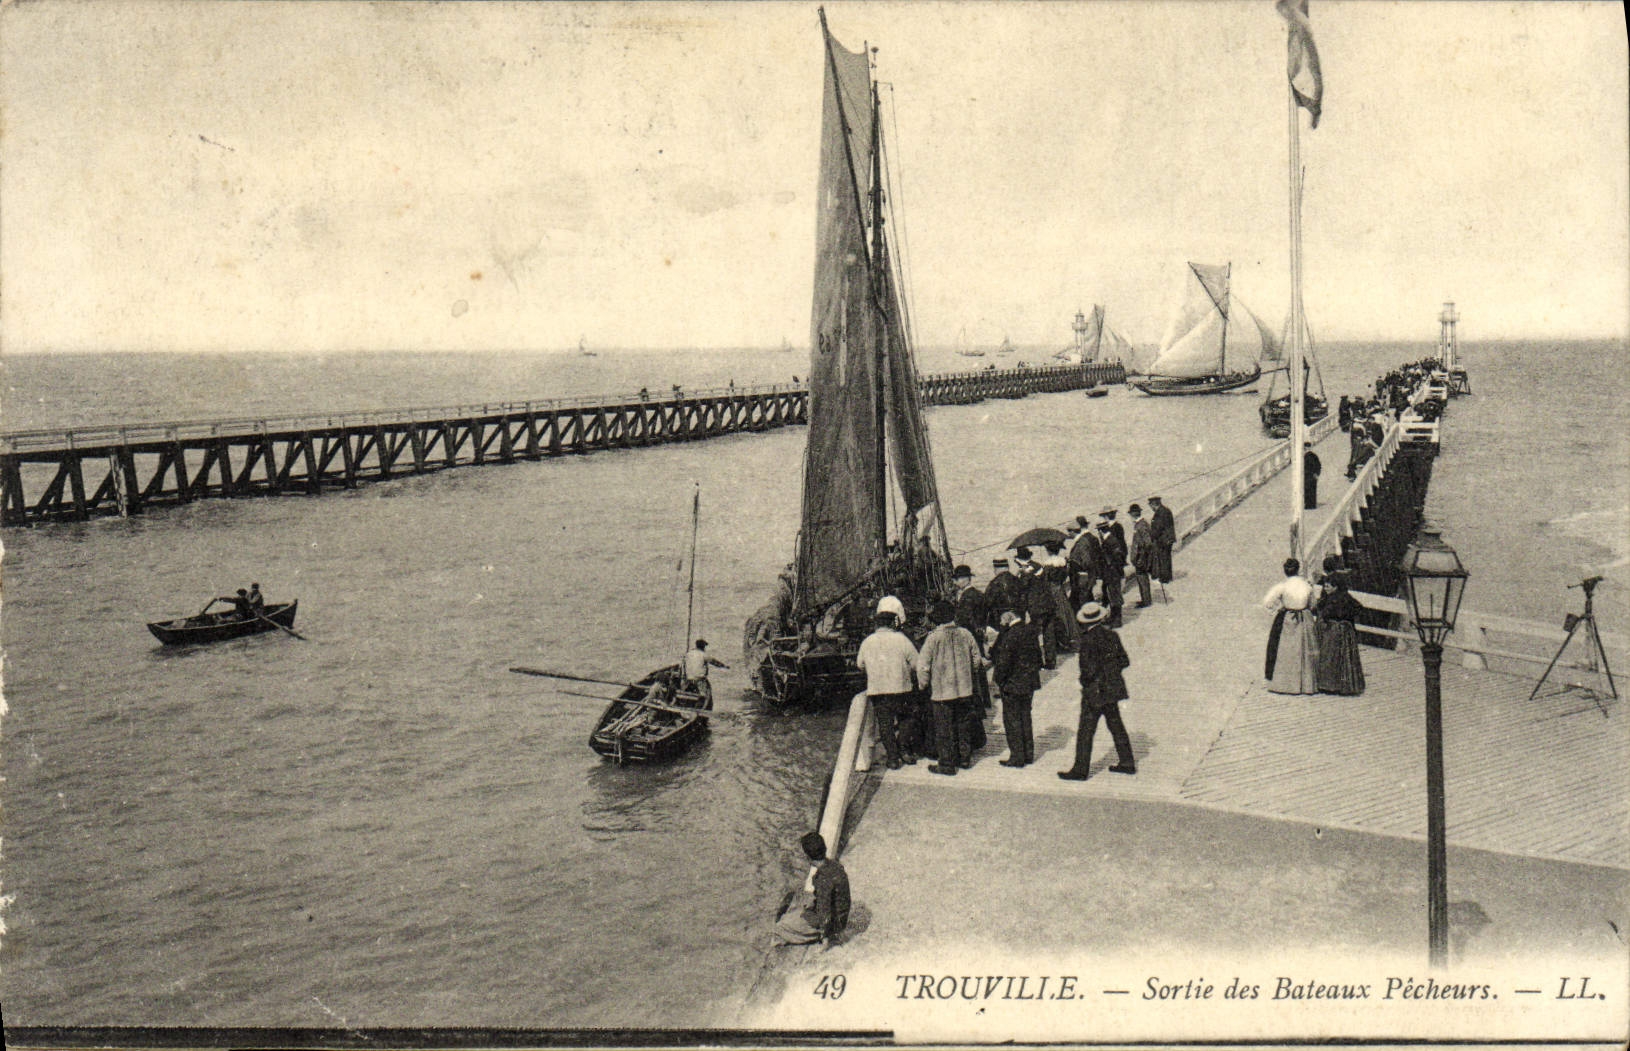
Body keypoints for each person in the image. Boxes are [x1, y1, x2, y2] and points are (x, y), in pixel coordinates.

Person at [1058, 602, 1136, 780]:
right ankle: (1127, 762)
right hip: (1112, 689)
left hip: (1094, 692)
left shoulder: (1087, 640)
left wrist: (1085, 682)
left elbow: (1088, 670)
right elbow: (1124, 661)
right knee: (1116, 726)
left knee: (1086, 731)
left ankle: (1080, 770)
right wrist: (1110, 673)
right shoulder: (1112, 635)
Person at [917, 599, 984, 775]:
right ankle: (964, 758)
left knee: (944, 728)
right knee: (963, 725)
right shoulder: (965, 634)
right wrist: (969, 675)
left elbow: (923, 666)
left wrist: (923, 685)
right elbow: (977, 659)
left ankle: (946, 764)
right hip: (964, 690)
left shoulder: (933, 638)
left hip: (942, 692)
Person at [856, 601, 920, 769]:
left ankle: (892, 757)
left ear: (877, 624)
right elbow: (917, 663)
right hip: (901, 689)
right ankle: (903, 748)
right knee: (908, 718)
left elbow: (860, 664)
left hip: (878, 691)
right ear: (892, 624)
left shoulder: (867, 642)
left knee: (885, 725)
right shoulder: (902, 639)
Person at [771, 831, 851, 947]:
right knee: (797, 904)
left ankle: (811, 935)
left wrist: (825, 939)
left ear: (808, 857)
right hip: (840, 914)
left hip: (834, 924)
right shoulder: (834, 865)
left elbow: (824, 912)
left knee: (780, 927)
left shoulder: (823, 880)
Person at [990, 611, 1042, 768]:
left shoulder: (1010, 635)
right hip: (1029, 683)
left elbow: (1003, 663)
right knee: (1025, 717)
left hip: (1012, 684)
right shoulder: (1030, 631)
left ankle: (1017, 757)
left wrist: (998, 680)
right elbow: (1039, 658)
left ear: (1008, 619)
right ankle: (1028, 754)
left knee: (1012, 720)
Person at [1262, 558, 1319, 694]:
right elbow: (1313, 604)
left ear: (1285, 571)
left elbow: (1267, 602)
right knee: (1305, 650)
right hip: (1304, 618)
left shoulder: (1282, 586)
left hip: (1288, 618)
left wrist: (1279, 608)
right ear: (1298, 570)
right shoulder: (1306, 585)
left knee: (1285, 650)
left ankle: (1286, 684)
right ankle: (1305, 684)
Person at [1314, 566, 1366, 695]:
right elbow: (1359, 608)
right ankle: (1347, 685)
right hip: (1346, 630)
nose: (1325, 588)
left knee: (1330, 657)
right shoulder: (1346, 596)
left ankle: (1330, 685)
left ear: (1335, 587)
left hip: (1333, 630)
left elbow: (1324, 613)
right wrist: (1348, 618)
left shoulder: (1331, 599)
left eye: (1328, 586)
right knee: (1346, 658)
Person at [1095, 516, 1127, 628]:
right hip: (1111, 573)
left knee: (1115, 596)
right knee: (1112, 595)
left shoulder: (1110, 540)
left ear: (1100, 531)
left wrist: (1111, 566)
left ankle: (1117, 620)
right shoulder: (1109, 539)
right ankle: (1113, 617)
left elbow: (1118, 557)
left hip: (1113, 573)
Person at [1066, 516, 1102, 610]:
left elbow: (1087, 561)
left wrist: (1082, 572)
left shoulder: (1081, 542)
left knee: (1084, 602)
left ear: (1073, 531)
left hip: (1081, 579)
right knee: (1085, 601)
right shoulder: (1081, 541)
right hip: (1082, 578)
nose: (1068, 534)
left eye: (1069, 531)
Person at [1127, 505, 1154, 608]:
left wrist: (1141, 555)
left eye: (1131, 513)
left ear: (1134, 514)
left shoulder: (1141, 525)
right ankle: (1145, 599)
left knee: (1142, 579)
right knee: (1141, 579)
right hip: (1140, 558)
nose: (1130, 516)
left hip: (1141, 558)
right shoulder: (1140, 524)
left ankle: (1146, 601)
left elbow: (1148, 542)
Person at [983, 557, 1021, 629]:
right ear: (1007, 567)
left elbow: (986, 603)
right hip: (1017, 620)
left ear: (996, 568)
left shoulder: (994, 583)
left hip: (1000, 622)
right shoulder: (1018, 581)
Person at [1149, 496, 1176, 585]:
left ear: (1154, 505)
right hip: (1168, 538)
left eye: (1151, 506)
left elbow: (1158, 528)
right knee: (1166, 557)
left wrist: (1151, 536)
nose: (1151, 508)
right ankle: (1168, 576)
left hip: (1163, 539)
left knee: (1163, 558)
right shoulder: (1165, 510)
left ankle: (1164, 578)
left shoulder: (1160, 513)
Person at [1302, 442, 1322, 510]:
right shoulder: (1314, 455)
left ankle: (1308, 505)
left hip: (1307, 475)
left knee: (1307, 490)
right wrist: (1317, 473)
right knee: (1312, 490)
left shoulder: (1305, 456)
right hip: (1313, 476)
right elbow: (1318, 465)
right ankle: (1312, 505)